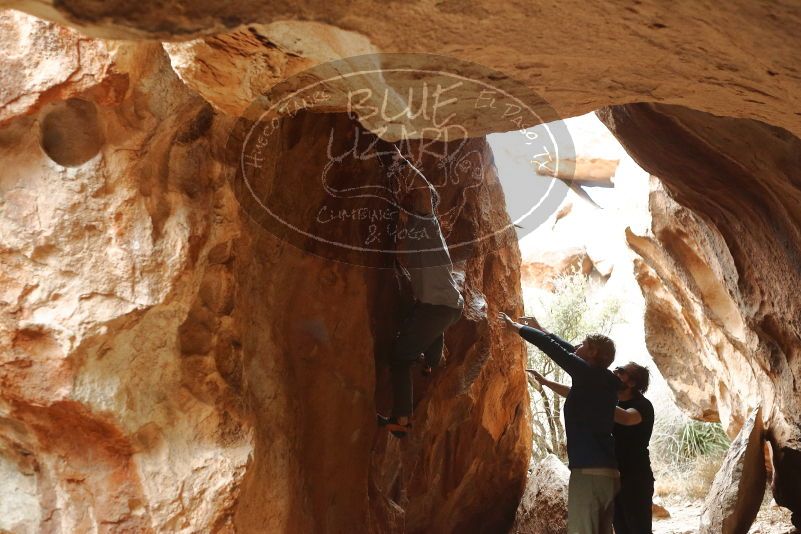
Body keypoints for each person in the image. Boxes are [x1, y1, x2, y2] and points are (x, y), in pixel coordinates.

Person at [499, 313, 621, 534]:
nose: (577, 345)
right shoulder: (605, 380)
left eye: (583, 344)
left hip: (588, 473)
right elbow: (567, 350)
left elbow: (555, 350)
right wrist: (541, 327)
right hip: (609, 474)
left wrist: (516, 327)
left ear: (593, 352)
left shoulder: (587, 375)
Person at [377, 146, 464, 438]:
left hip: (439, 305)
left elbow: (425, 192)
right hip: (444, 305)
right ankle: (430, 362)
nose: (409, 202)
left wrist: (403, 164)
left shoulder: (427, 224)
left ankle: (401, 419)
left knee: (400, 358)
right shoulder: (415, 228)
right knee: (424, 319)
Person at [529, 362, 655, 534]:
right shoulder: (611, 400)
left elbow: (627, 418)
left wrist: (594, 399)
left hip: (636, 478)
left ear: (632, 383)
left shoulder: (643, 405)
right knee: (621, 527)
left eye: (621, 371)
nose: (615, 372)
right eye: (616, 368)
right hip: (613, 476)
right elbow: (575, 395)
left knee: (639, 527)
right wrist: (546, 382)